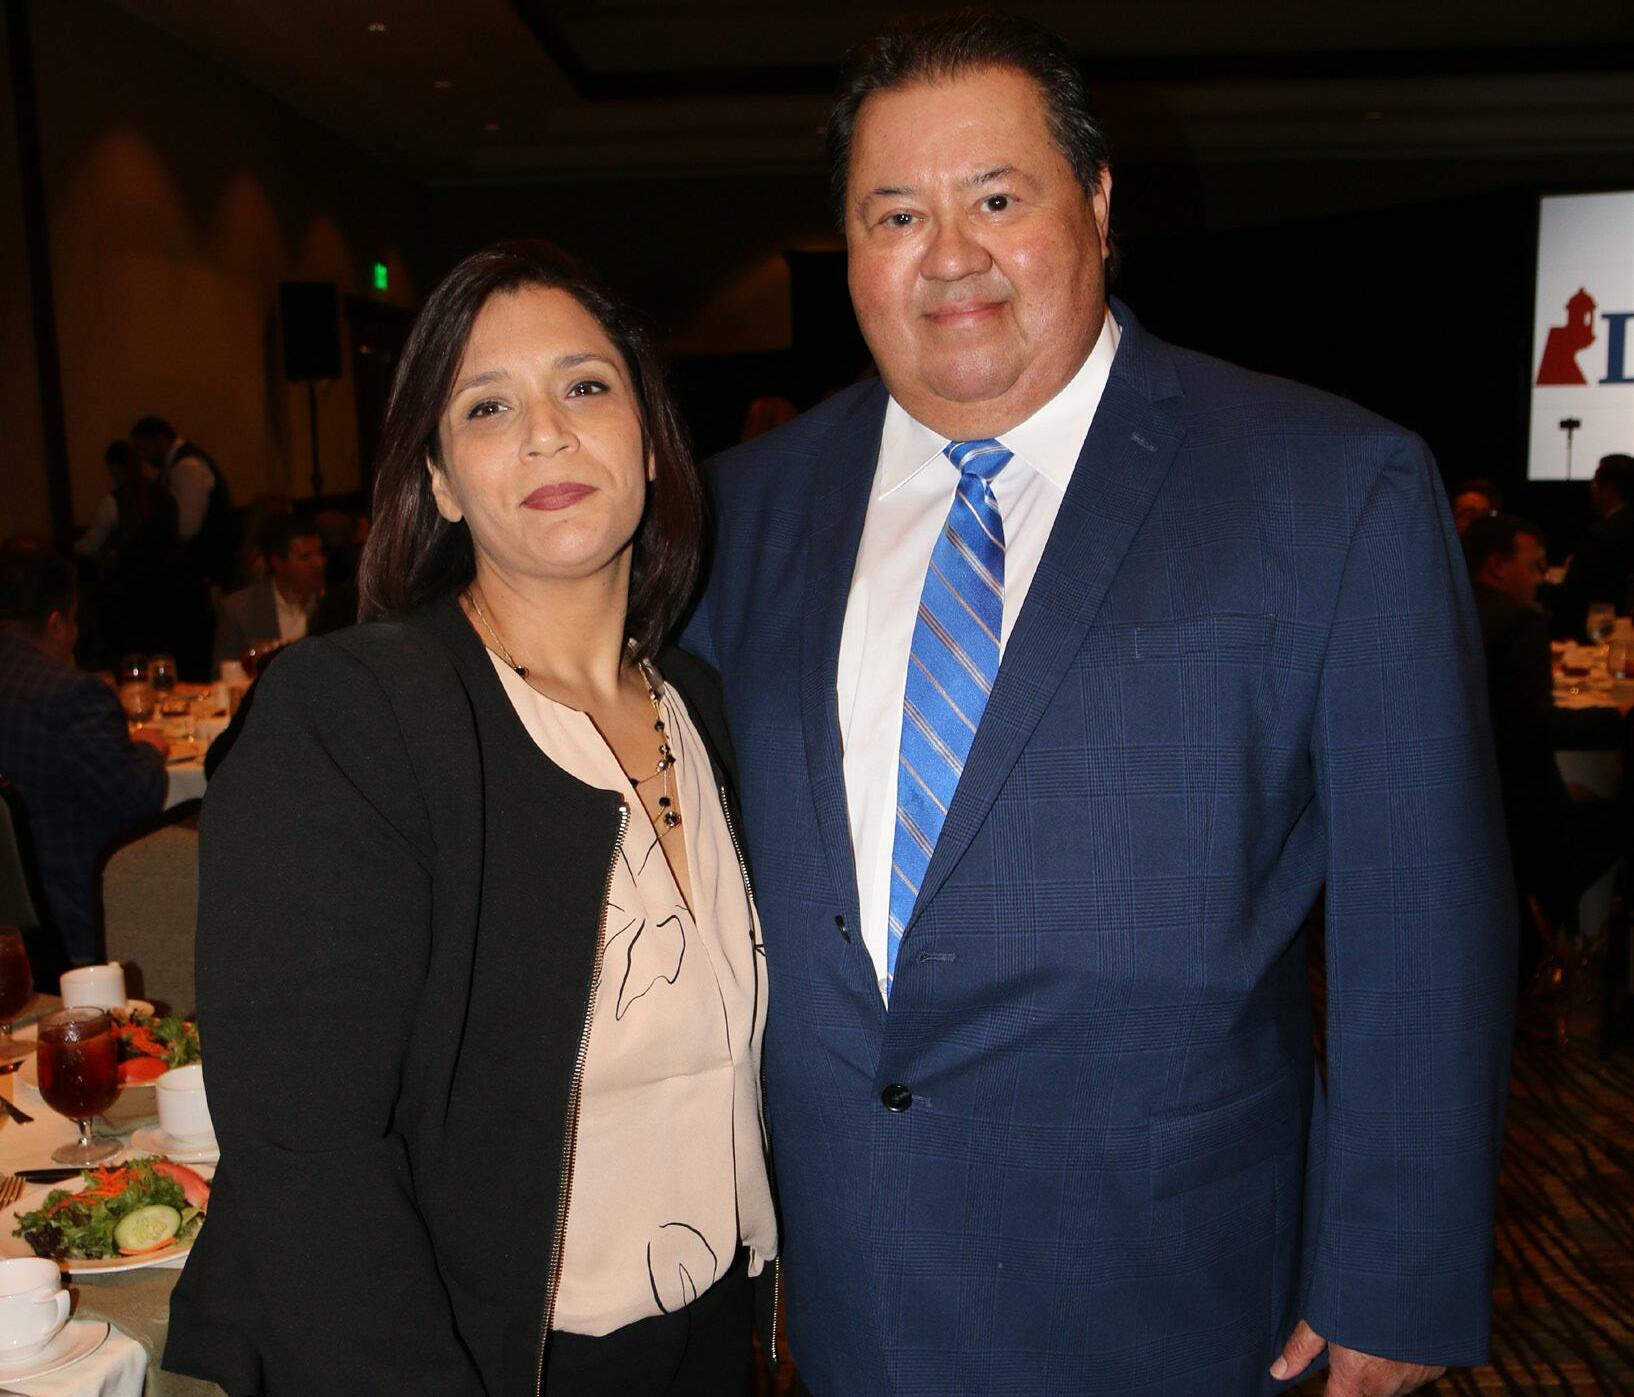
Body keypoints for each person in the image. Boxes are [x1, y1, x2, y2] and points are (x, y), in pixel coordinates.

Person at [684, 14, 1514, 1396]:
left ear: (1099, 203)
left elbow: (1421, 911)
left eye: (996, 199)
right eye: (896, 215)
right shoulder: (738, 512)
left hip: (1173, 1289)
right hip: (850, 1293)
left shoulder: (1327, 486)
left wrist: (1397, 1267)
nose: (948, 255)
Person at [164, 241, 776, 1397]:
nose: (546, 431)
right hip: (481, 1359)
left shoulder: (702, 707)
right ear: (440, 481)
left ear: (650, 440)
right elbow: (308, 1159)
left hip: (707, 1340)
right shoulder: (354, 719)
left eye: (584, 385)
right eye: (487, 405)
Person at [1463, 514, 1624, 979]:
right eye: (1533, 566)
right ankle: (1580, 954)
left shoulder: (1448, 611)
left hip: (1460, 804)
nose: (1540, 578)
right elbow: (1534, 729)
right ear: (1497, 566)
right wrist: (1617, 719)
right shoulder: (1519, 623)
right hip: (1520, 820)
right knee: (1618, 816)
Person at [0, 536, 167, 971]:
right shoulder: (71, 695)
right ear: (57, 623)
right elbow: (138, 798)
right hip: (72, 922)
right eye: (74, 622)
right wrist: (148, 750)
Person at [130, 416, 237, 590]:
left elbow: (187, 527)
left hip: (205, 568)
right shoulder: (174, 468)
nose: (143, 456)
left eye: (143, 448)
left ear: (160, 440)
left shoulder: (188, 466)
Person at [210, 512, 327, 671]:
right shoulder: (239, 610)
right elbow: (222, 676)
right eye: (306, 557)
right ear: (277, 562)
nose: (319, 563)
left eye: (320, 553)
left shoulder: (336, 605)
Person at [1548, 451, 1634, 639]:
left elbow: (1573, 595)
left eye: (1594, 483)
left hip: (1594, 633)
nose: (1592, 490)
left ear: (1609, 489)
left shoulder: (1601, 535)